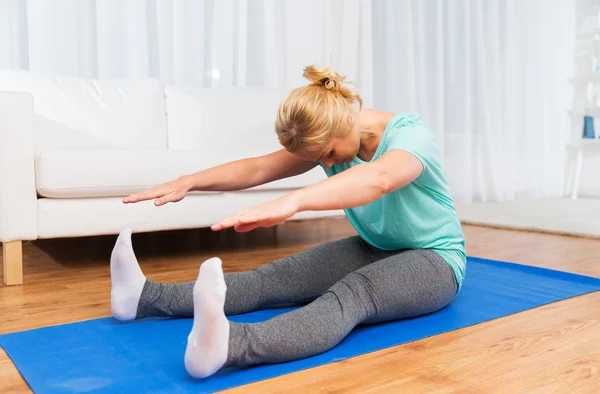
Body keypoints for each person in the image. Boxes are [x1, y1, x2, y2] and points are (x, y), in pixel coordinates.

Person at [109, 64, 466, 379]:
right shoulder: (329, 139)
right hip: (376, 248)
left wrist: (293, 201)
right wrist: (189, 181)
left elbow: (379, 179)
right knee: (275, 278)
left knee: (350, 295)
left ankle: (229, 346)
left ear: (344, 118)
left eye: (328, 155)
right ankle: (142, 298)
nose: (327, 162)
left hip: (435, 260)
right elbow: (259, 167)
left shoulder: (410, 135)